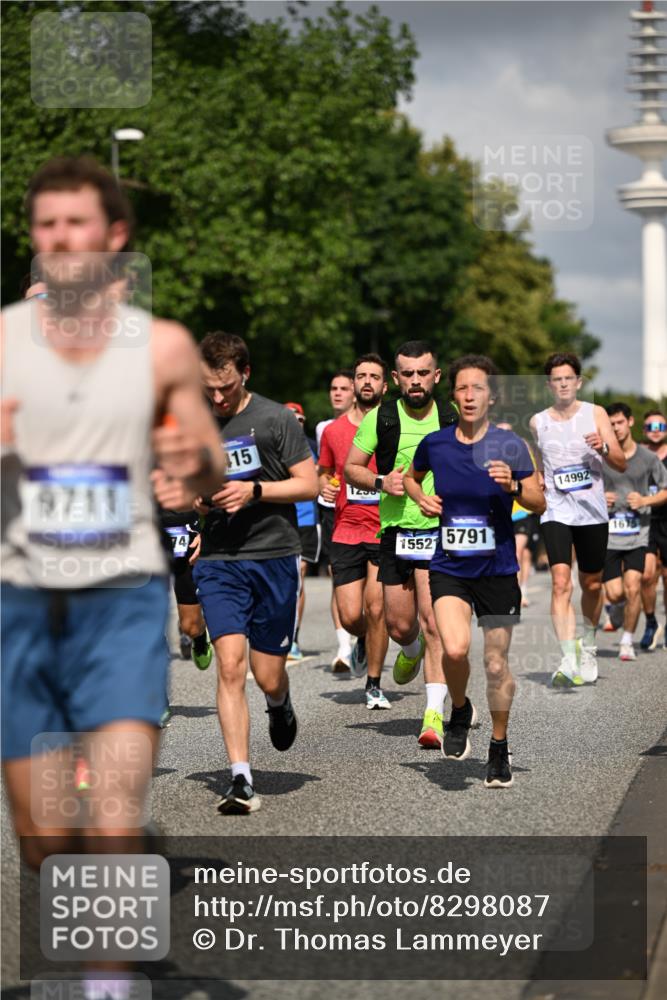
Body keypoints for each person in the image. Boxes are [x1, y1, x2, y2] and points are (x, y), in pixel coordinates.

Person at [1, 155, 225, 871]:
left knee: (110, 813)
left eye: (79, 223)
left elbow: (209, 469)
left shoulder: (161, 348)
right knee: (45, 845)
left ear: (115, 236)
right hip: (22, 600)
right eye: (48, 225)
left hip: (120, 593)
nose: (63, 238)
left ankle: (109, 977)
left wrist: (191, 467)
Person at [192, 332, 318, 815]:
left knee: (267, 676)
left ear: (245, 373)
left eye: (226, 387)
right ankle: (241, 778)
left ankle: (279, 701)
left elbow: (309, 485)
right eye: (209, 389)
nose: (218, 398)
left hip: (273, 556)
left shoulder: (275, 419)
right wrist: (200, 500)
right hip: (220, 559)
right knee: (229, 666)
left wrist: (256, 493)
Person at [405, 355, 544, 787]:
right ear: (454, 396)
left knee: (497, 665)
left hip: (499, 569)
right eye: (462, 389)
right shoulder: (437, 443)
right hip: (449, 565)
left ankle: (498, 747)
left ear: (492, 396)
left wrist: (514, 486)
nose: (469, 396)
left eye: (477, 388)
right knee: (454, 648)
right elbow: (410, 477)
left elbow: (539, 500)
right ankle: (460, 709)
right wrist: (421, 498)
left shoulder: (511, 446)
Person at [345, 341, 459, 748]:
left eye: (423, 373)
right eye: (407, 374)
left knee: (434, 624)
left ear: (436, 376)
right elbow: (350, 469)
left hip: (439, 534)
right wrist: (381, 482)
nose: (415, 381)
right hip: (395, 533)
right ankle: (407, 649)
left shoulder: (451, 418)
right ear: (396, 378)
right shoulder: (381, 418)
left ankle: (433, 717)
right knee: (399, 625)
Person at [530, 352, 625, 687]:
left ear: (578, 382)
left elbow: (621, 463)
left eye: (568, 378)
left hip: (592, 512)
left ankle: (589, 645)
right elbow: (540, 465)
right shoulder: (538, 421)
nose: (563, 384)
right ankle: (568, 658)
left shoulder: (595, 414)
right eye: (557, 379)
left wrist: (603, 447)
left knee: (592, 583)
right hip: (556, 510)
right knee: (560, 582)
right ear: (549, 385)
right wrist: (538, 479)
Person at [318, 354, 390, 707]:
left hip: (383, 528)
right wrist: (324, 486)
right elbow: (325, 470)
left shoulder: (395, 424)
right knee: (351, 616)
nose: (366, 382)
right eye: (361, 376)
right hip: (346, 528)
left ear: (384, 385)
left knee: (377, 609)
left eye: (373, 377)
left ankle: (374, 683)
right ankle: (363, 640)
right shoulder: (333, 432)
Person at [602, 403, 667, 660]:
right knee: (616, 592)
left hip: (641, 531)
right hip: (610, 534)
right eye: (611, 424)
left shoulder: (648, 459)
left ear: (629, 422)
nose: (615, 428)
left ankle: (628, 640)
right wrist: (599, 497)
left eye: (619, 422)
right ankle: (620, 609)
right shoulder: (601, 456)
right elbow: (586, 486)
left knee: (637, 583)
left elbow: (664, 488)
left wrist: (643, 501)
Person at [316, 370, 355, 669]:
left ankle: (364, 636)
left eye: (344, 388)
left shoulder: (372, 425)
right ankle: (343, 648)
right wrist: (324, 486)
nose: (337, 393)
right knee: (335, 576)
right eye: (333, 388)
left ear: (354, 393)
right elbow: (322, 470)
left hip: (364, 509)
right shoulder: (323, 428)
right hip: (332, 509)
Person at [284, 401, 321, 660]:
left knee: (300, 575)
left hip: (307, 520)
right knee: (283, 578)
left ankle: (294, 638)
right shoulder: (272, 444)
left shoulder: (314, 447)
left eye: (299, 419)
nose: (295, 423)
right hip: (281, 520)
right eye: (289, 418)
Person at [158, 504, 212, 669]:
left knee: (191, 627)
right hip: (148, 530)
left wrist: (205, 530)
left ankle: (200, 638)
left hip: (185, 531)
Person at [639, 409, 667, 650]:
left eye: (660, 427)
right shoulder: (636, 454)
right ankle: (650, 622)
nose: (655, 432)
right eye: (651, 427)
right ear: (644, 430)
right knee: (647, 575)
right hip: (645, 521)